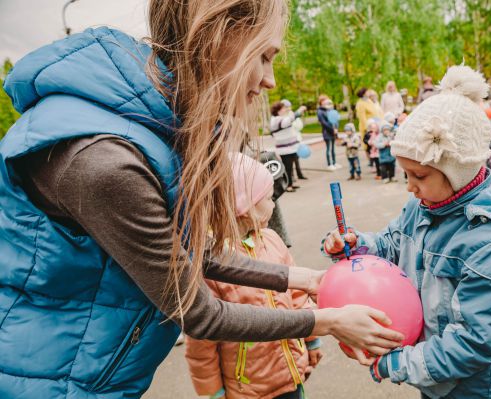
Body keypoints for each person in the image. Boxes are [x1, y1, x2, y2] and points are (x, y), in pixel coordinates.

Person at [0, 2, 402, 398]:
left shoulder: (153, 128)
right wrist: (329, 321)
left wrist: (309, 280)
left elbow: (191, 254)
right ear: (218, 35)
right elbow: (199, 312)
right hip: (46, 379)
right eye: (263, 56)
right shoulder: (109, 162)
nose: (270, 80)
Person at [322, 65, 491, 398]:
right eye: (406, 175)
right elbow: (391, 245)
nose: (410, 187)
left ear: (458, 171)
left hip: (473, 386)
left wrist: (397, 363)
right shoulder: (424, 206)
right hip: (433, 373)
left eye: (419, 176)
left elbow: (477, 341)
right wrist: (357, 245)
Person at [185, 154, 323, 399]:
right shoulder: (213, 263)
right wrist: (213, 392)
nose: (273, 205)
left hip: (290, 372)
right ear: (243, 206)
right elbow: (201, 342)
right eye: (268, 198)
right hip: (248, 387)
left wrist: (311, 340)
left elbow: (298, 295)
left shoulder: (271, 240)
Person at [269, 101, 307, 192]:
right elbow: (289, 120)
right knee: (287, 168)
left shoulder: (280, 118)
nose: (285, 110)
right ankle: (287, 186)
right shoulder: (276, 119)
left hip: (290, 148)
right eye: (283, 108)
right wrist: (299, 111)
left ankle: (290, 184)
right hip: (285, 150)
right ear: (278, 111)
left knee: (289, 168)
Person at [281, 99, 308, 180]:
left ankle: (299, 174)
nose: (288, 108)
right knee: (289, 160)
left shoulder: (292, 114)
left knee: (296, 158)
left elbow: (299, 126)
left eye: (289, 106)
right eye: (286, 107)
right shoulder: (282, 117)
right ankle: (291, 176)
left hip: (296, 139)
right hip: (288, 141)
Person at [317, 95, 341, 171]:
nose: (325, 102)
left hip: (333, 132)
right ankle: (329, 164)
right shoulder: (320, 111)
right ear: (321, 102)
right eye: (323, 100)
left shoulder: (330, 110)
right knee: (328, 148)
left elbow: (335, 119)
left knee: (333, 149)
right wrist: (332, 129)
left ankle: (334, 163)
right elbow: (324, 123)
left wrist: (336, 128)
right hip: (327, 132)